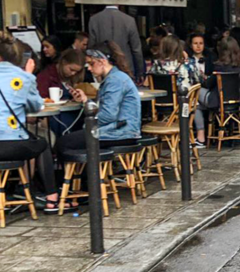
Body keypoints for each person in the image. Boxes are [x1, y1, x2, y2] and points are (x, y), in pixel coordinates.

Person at [0, 32, 60, 213]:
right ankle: (51, 198)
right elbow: (36, 106)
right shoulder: (22, 77)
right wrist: (27, 76)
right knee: (42, 144)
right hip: (13, 145)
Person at [56, 41, 141, 159]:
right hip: (121, 131)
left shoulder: (114, 80)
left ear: (102, 61)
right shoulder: (114, 78)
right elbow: (103, 109)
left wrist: (88, 125)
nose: (89, 68)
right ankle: (86, 175)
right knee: (71, 139)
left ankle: (83, 176)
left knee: (64, 142)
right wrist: (85, 100)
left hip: (119, 134)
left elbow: (108, 115)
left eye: (91, 63)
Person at [196, 37, 240, 145]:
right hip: (239, 101)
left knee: (193, 98)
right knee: (197, 104)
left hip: (218, 101)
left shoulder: (220, 66)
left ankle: (200, 136)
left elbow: (208, 84)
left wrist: (203, 77)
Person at [35, 48, 88, 138]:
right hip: (55, 116)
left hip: (72, 114)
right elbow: (40, 99)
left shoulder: (71, 79)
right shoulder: (45, 77)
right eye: (71, 69)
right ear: (63, 62)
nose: (73, 73)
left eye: (76, 71)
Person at [88, 5, 145, 81]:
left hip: (103, 66)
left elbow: (92, 47)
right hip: (125, 66)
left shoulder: (94, 19)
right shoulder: (129, 20)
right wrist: (140, 72)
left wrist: (92, 67)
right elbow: (136, 49)